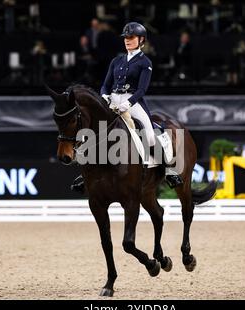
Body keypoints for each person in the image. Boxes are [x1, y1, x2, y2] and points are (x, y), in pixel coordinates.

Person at [71, 22, 183, 193]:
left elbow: (142, 89)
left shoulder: (145, 62)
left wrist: (128, 103)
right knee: (93, 129)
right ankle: (85, 173)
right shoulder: (117, 60)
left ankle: (168, 170)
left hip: (133, 102)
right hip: (113, 100)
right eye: (126, 38)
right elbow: (105, 85)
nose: (127, 41)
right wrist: (104, 96)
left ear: (141, 40)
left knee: (150, 134)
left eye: (131, 38)